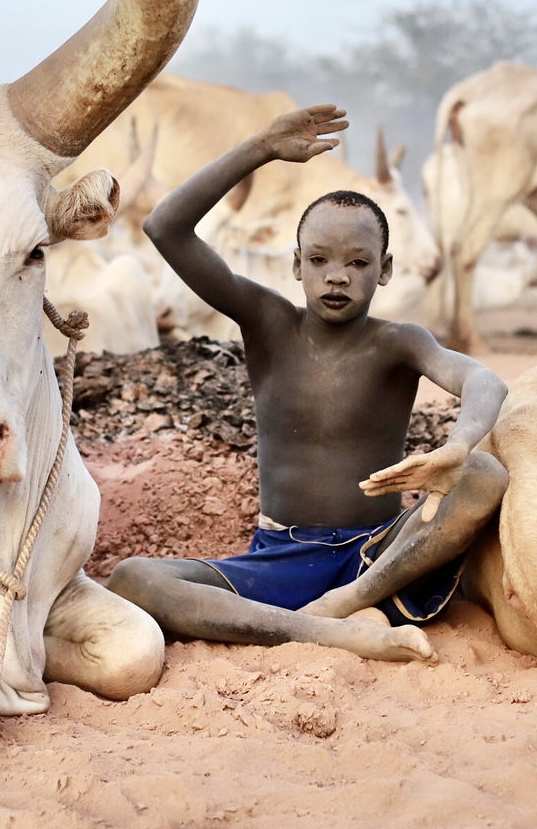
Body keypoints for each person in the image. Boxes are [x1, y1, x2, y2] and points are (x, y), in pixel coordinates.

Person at [107, 105, 509, 662]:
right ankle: (330, 631)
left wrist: (459, 446)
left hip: (378, 555)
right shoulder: (266, 321)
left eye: (358, 262)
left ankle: (345, 604)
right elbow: (165, 226)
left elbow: (483, 379)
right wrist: (260, 148)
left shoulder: (400, 342)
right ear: (296, 265)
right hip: (277, 557)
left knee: (484, 472)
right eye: (319, 259)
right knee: (133, 579)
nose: (337, 275)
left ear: (385, 270)